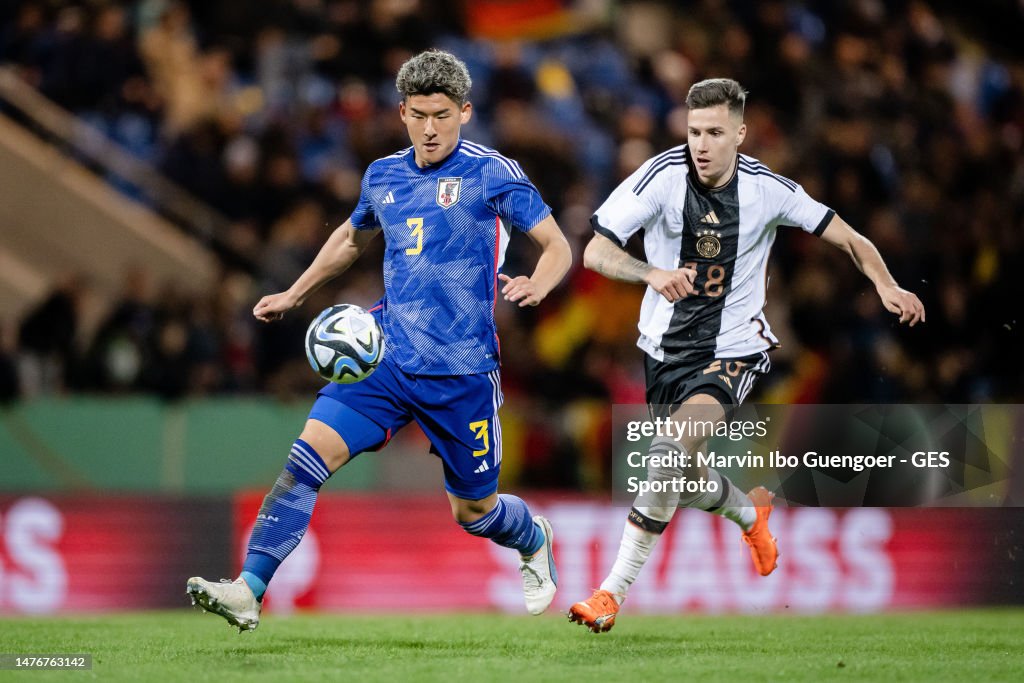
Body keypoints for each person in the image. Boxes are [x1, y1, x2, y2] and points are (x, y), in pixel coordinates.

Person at [187, 49, 572, 631]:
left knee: (475, 511)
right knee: (305, 461)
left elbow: (557, 246)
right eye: (418, 114)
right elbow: (349, 236)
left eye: (442, 114)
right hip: (385, 356)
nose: (430, 127)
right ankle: (249, 589)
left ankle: (531, 535)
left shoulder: (492, 173)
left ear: (465, 111)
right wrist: (295, 293)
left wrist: (538, 287)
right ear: (402, 113)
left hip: (462, 369)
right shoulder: (383, 175)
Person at [568, 78, 925, 632]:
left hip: (734, 348)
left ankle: (610, 593)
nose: (702, 145)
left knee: (667, 452)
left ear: (740, 132)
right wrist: (651, 272)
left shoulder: (768, 190)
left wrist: (886, 286)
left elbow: (850, 238)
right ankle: (746, 511)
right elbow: (594, 250)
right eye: (693, 132)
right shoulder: (661, 177)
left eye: (714, 132)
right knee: (683, 477)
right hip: (663, 349)